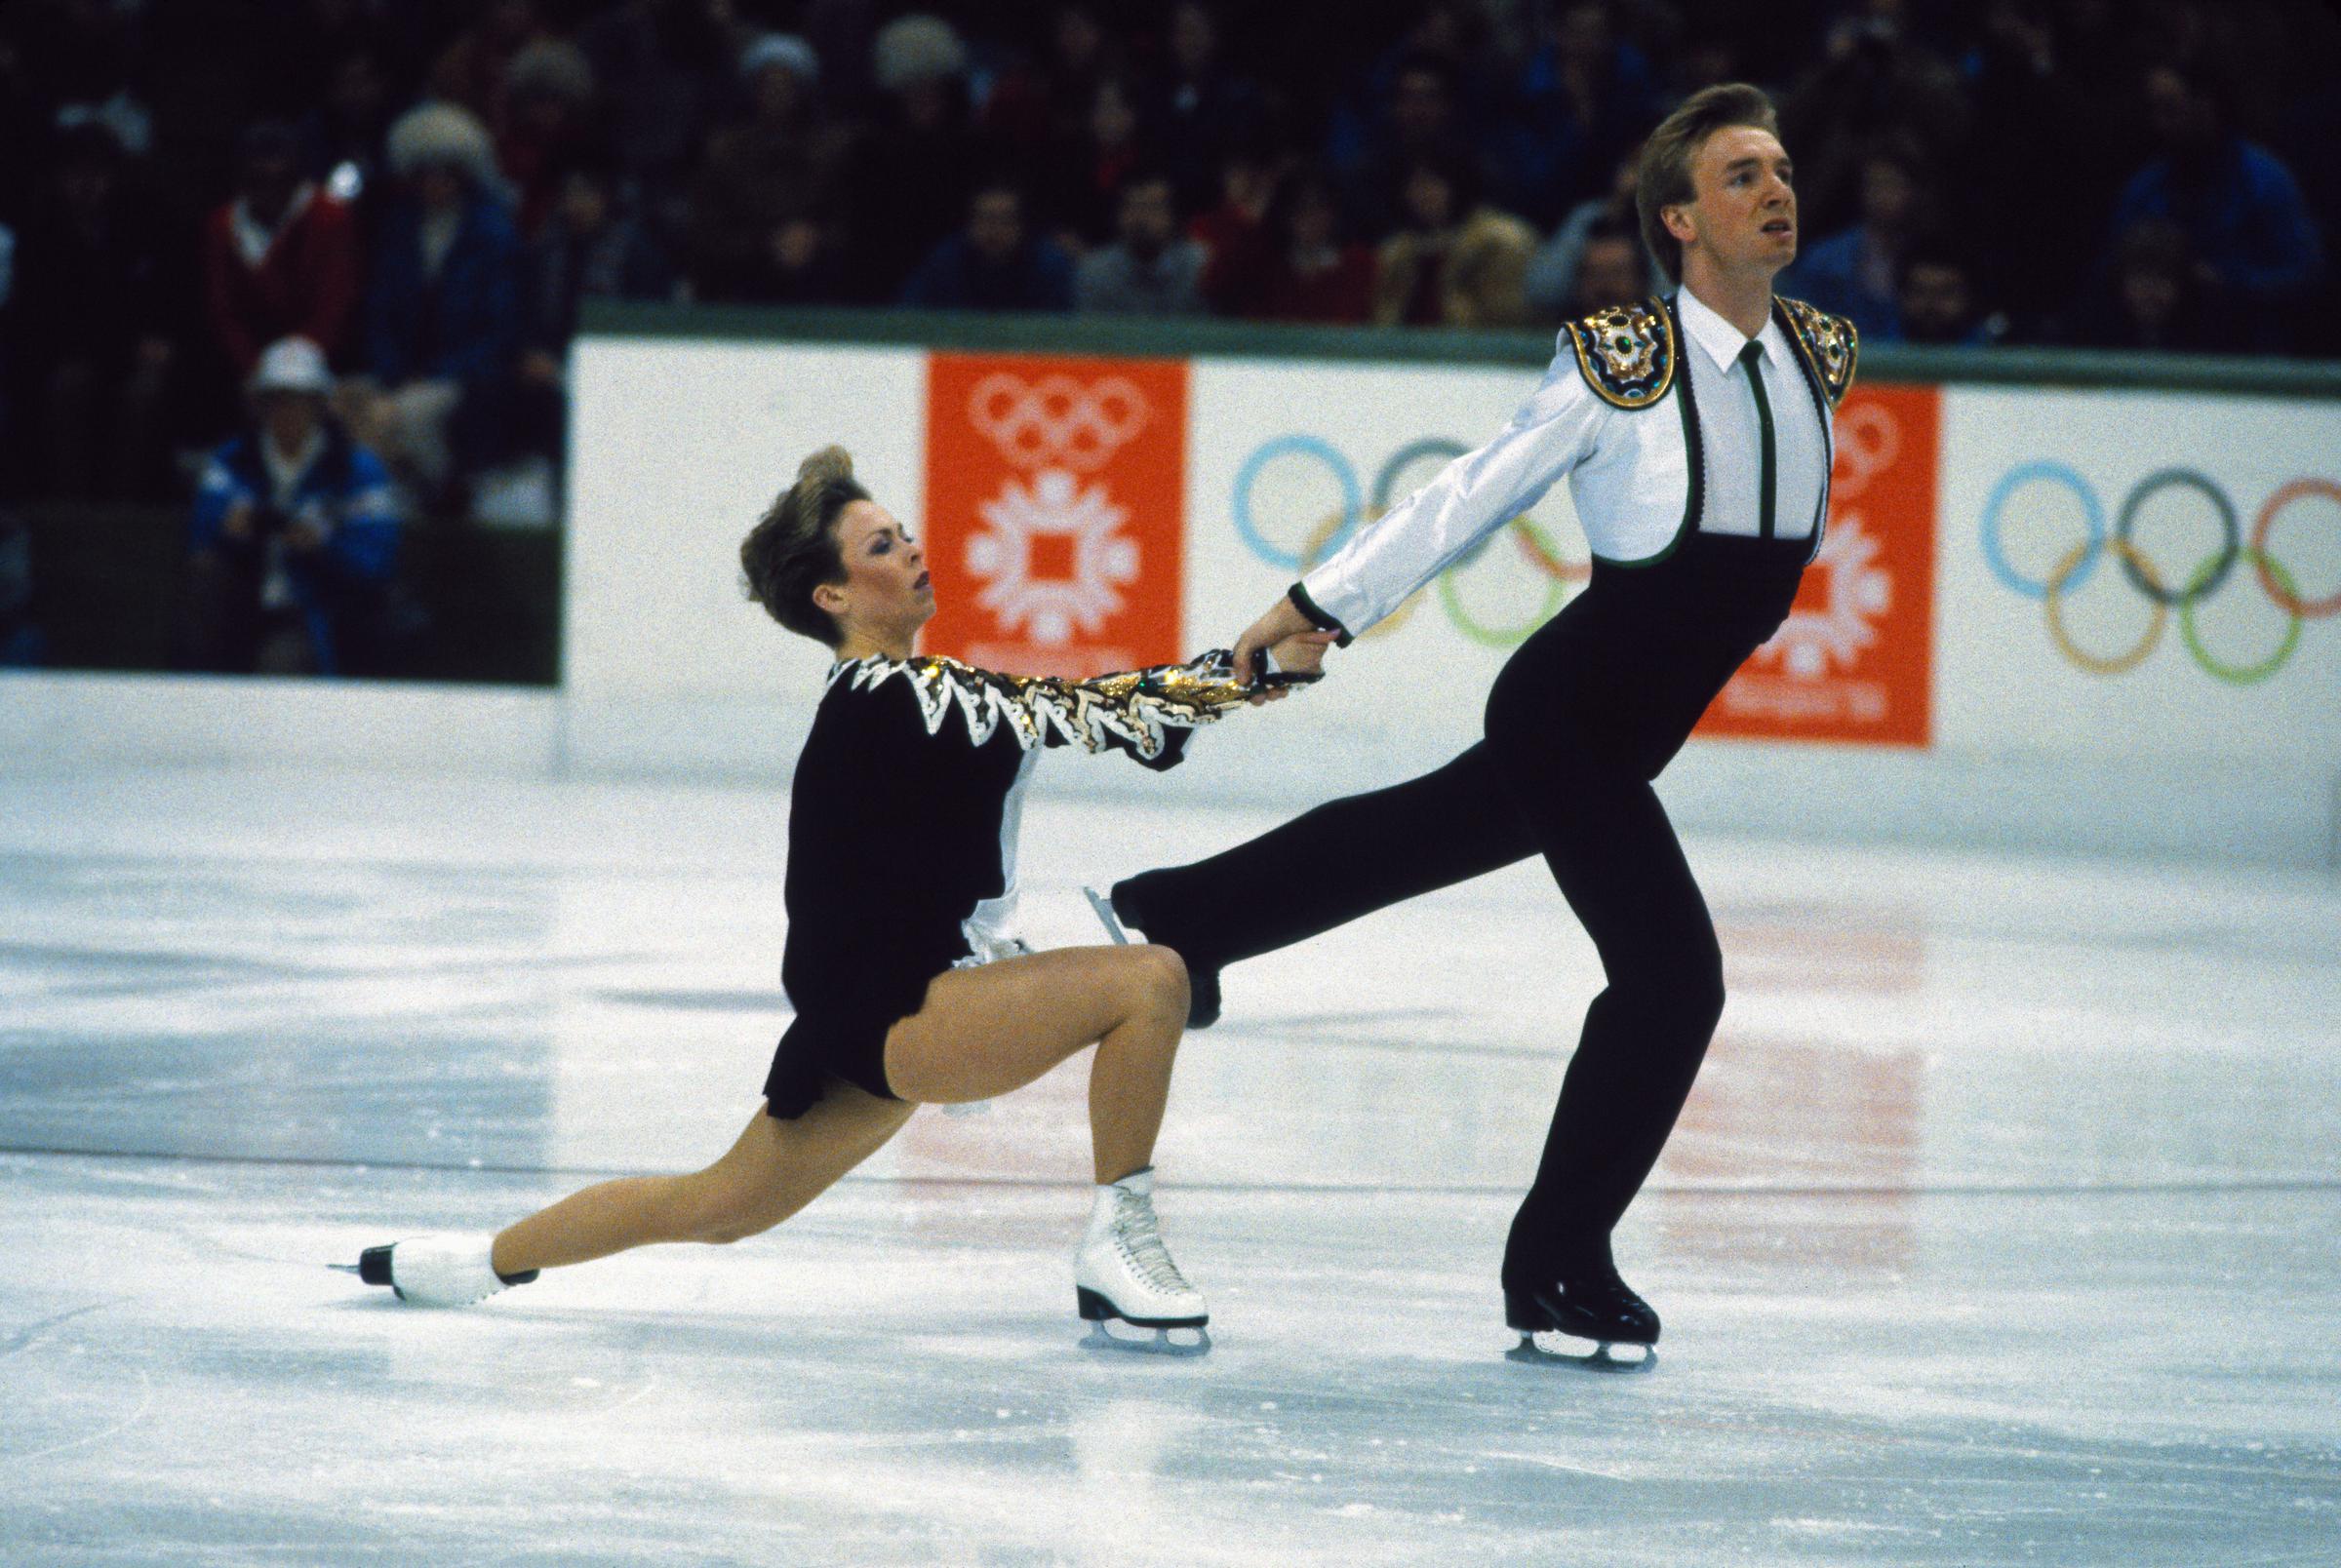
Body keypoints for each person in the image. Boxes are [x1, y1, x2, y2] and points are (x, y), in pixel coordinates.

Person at [1089, 84, 1856, 1370]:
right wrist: (1320, 603)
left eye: (1780, 167)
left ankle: (1184, 913)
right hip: (1570, 711)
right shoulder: (1625, 359)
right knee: (1674, 982)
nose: (1775, 189)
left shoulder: (1820, 353)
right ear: (1678, 218)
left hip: (1631, 728)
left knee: (1409, 838)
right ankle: (1557, 1262)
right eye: (1739, 175)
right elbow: (1467, 495)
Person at [352, 448, 1330, 1351]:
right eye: (881, 545)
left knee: (718, 1205)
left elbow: (1083, 714)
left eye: (902, 534)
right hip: (906, 1011)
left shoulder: (914, 698)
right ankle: (1120, 1243)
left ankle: (469, 1263)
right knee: (1151, 977)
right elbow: (1092, 713)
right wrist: (1241, 680)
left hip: (866, 1017)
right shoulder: (891, 703)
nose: (910, 550)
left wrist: (1248, 679)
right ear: (832, 592)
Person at [184, 336, 401, 676]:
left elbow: (377, 559)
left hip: (311, 610)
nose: (287, 411)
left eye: (298, 400)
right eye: (276, 399)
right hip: (242, 602)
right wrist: (231, 533)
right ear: (260, 404)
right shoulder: (231, 462)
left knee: (280, 667)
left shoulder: (357, 470)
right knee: (206, 572)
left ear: (319, 404)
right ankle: (191, 691)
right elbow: (202, 534)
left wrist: (323, 547)